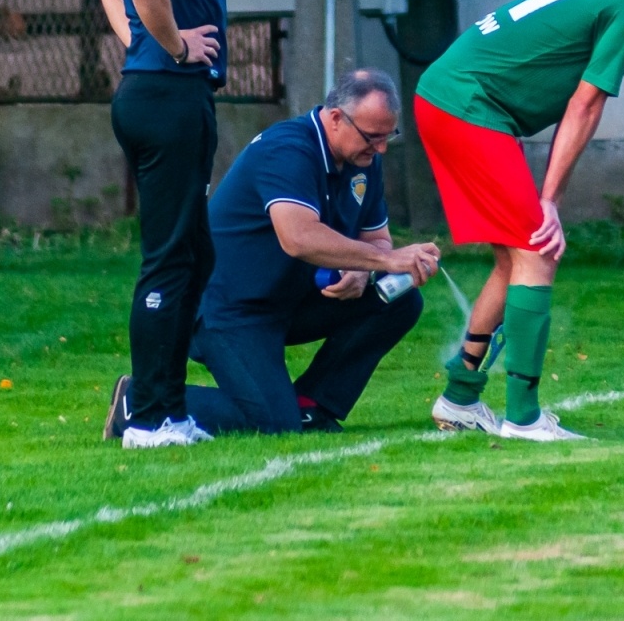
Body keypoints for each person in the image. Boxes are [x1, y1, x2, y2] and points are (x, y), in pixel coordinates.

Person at [415, 0, 624, 441]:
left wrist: (549, 197)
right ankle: (523, 418)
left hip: (454, 99)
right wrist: (549, 200)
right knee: (538, 251)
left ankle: (460, 398)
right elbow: (585, 105)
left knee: (515, 261)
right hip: (468, 105)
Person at [102, 69, 441, 438]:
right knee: (275, 424)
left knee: (398, 298)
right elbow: (299, 237)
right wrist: (386, 261)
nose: (381, 149)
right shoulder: (287, 150)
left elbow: (377, 240)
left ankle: (312, 406)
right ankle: (140, 400)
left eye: (388, 136)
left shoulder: (363, 161)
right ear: (336, 118)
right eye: (372, 137)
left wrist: (362, 270)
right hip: (229, 309)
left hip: (288, 300)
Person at [97, 0, 245, 449]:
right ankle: (150, 419)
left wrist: (141, 43)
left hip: (157, 93)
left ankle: (168, 407)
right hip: (169, 97)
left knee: (194, 255)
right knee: (169, 261)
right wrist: (174, 45)